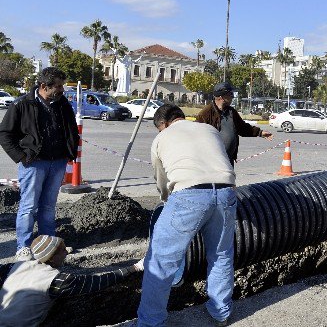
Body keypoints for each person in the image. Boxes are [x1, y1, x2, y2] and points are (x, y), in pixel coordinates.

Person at [137, 104, 237, 326]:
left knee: (160, 261)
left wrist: (166, 201)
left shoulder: (161, 139)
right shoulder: (209, 129)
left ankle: (150, 322)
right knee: (221, 254)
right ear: (181, 117)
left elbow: (161, 181)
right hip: (226, 192)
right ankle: (221, 313)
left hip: (188, 194)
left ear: (163, 124)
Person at [0, 67, 79, 260]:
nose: (62, 90)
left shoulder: (62, 104)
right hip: (33, 164)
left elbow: (71, 129)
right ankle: (24, 247)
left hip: (58, 162)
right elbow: (5, 134)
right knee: (29, 206)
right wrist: (21, 156)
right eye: (58, 86)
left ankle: (48, 244)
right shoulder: (22, 104)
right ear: (44, 86)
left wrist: (69, 152)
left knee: (48, 206)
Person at [0, 235, 143, 326]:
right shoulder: (57, 280)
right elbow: (97, 282)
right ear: (51, 257)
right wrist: (133, 268)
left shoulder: (15, 266)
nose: (67, 252)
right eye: (62, 250)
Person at [196, 81, 273, 167]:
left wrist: (260, 133)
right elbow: (196, 135)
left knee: (229, 180)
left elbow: (242, 127)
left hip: (228, 159)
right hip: (212, 161)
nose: (232, 97)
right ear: (222, 97)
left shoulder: (231, 112)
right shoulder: (206, 113)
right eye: (230, 94)